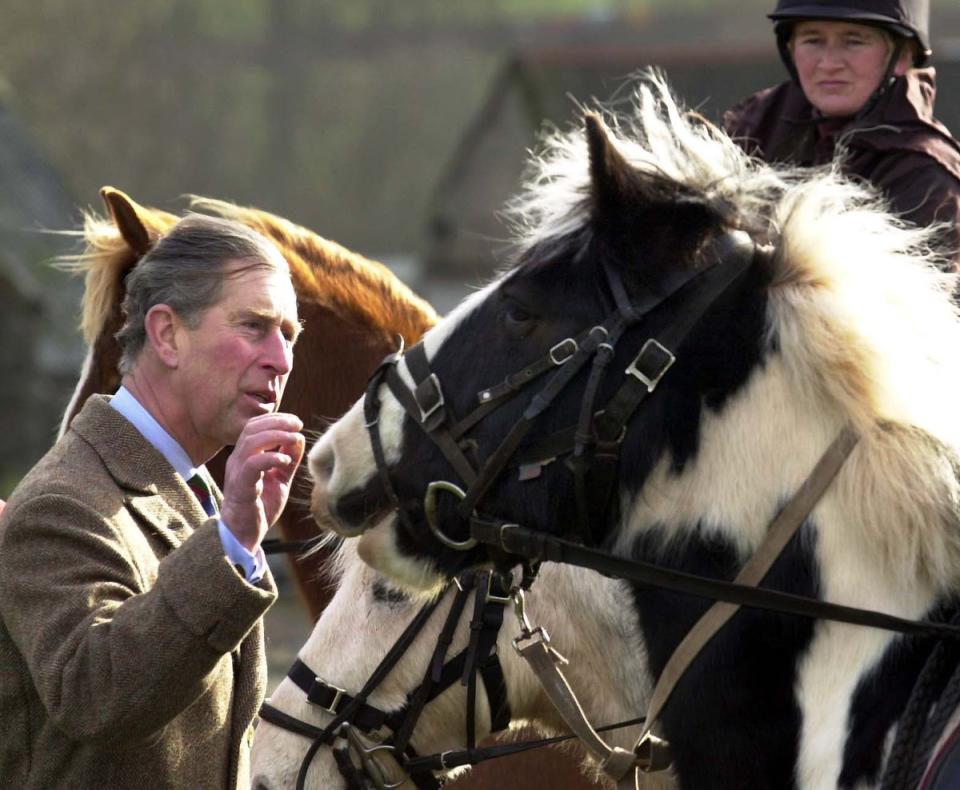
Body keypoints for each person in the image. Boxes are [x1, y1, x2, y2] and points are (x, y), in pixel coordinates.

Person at [0, 214, 305, 789]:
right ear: (166, 334)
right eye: (254, 326)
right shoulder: (62, 500)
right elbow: (96, 695)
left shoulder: (197, 490)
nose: (281, 360)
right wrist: (233, 538)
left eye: (288, 335)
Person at [723, 0, 960, 270]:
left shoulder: (926, 175)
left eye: (854, 41)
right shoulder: (749, 132)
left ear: (903, 56)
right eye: (813, 40)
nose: (829, 63)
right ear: (790, 49)